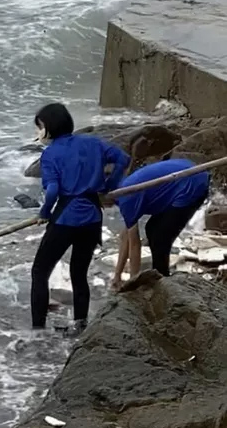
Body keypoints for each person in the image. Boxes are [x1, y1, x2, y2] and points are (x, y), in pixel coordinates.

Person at [30, 102, 129, 332]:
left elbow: (53, 191)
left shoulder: (51, 154)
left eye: (39, 127)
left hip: (66, 219)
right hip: (92, 218)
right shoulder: (93, 143)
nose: (38, 133)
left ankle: (37, 331)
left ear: (48, 128)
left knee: (40, 272)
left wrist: (44, 213)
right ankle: (81, 324)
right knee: (78, 272)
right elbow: (122, 159)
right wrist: (107, 187)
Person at [111, 158, 210, 288]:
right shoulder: (122, 191)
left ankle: (162, 283)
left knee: (159, 236)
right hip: (187, 172)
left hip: (192, 182)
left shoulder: (126, 198)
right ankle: (159, 276)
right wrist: (117, 276)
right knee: (152, 229)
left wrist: (133, 283)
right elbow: (125, 239)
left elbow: (135, 245)